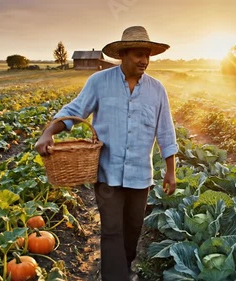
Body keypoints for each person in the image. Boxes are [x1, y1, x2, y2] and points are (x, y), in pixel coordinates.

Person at [34, 26, 178, 281]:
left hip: (140, 176)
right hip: (106, 173)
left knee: (133, 229)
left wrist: (170, 171)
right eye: (137, 54)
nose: (144, 60)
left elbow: (166, 132)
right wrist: (48, 133)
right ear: (122, 54)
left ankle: (122, 268)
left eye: (147, 54)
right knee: (112, 230)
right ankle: (115, 276)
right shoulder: (99, 82)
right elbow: (76, 110)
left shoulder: (157, 90)